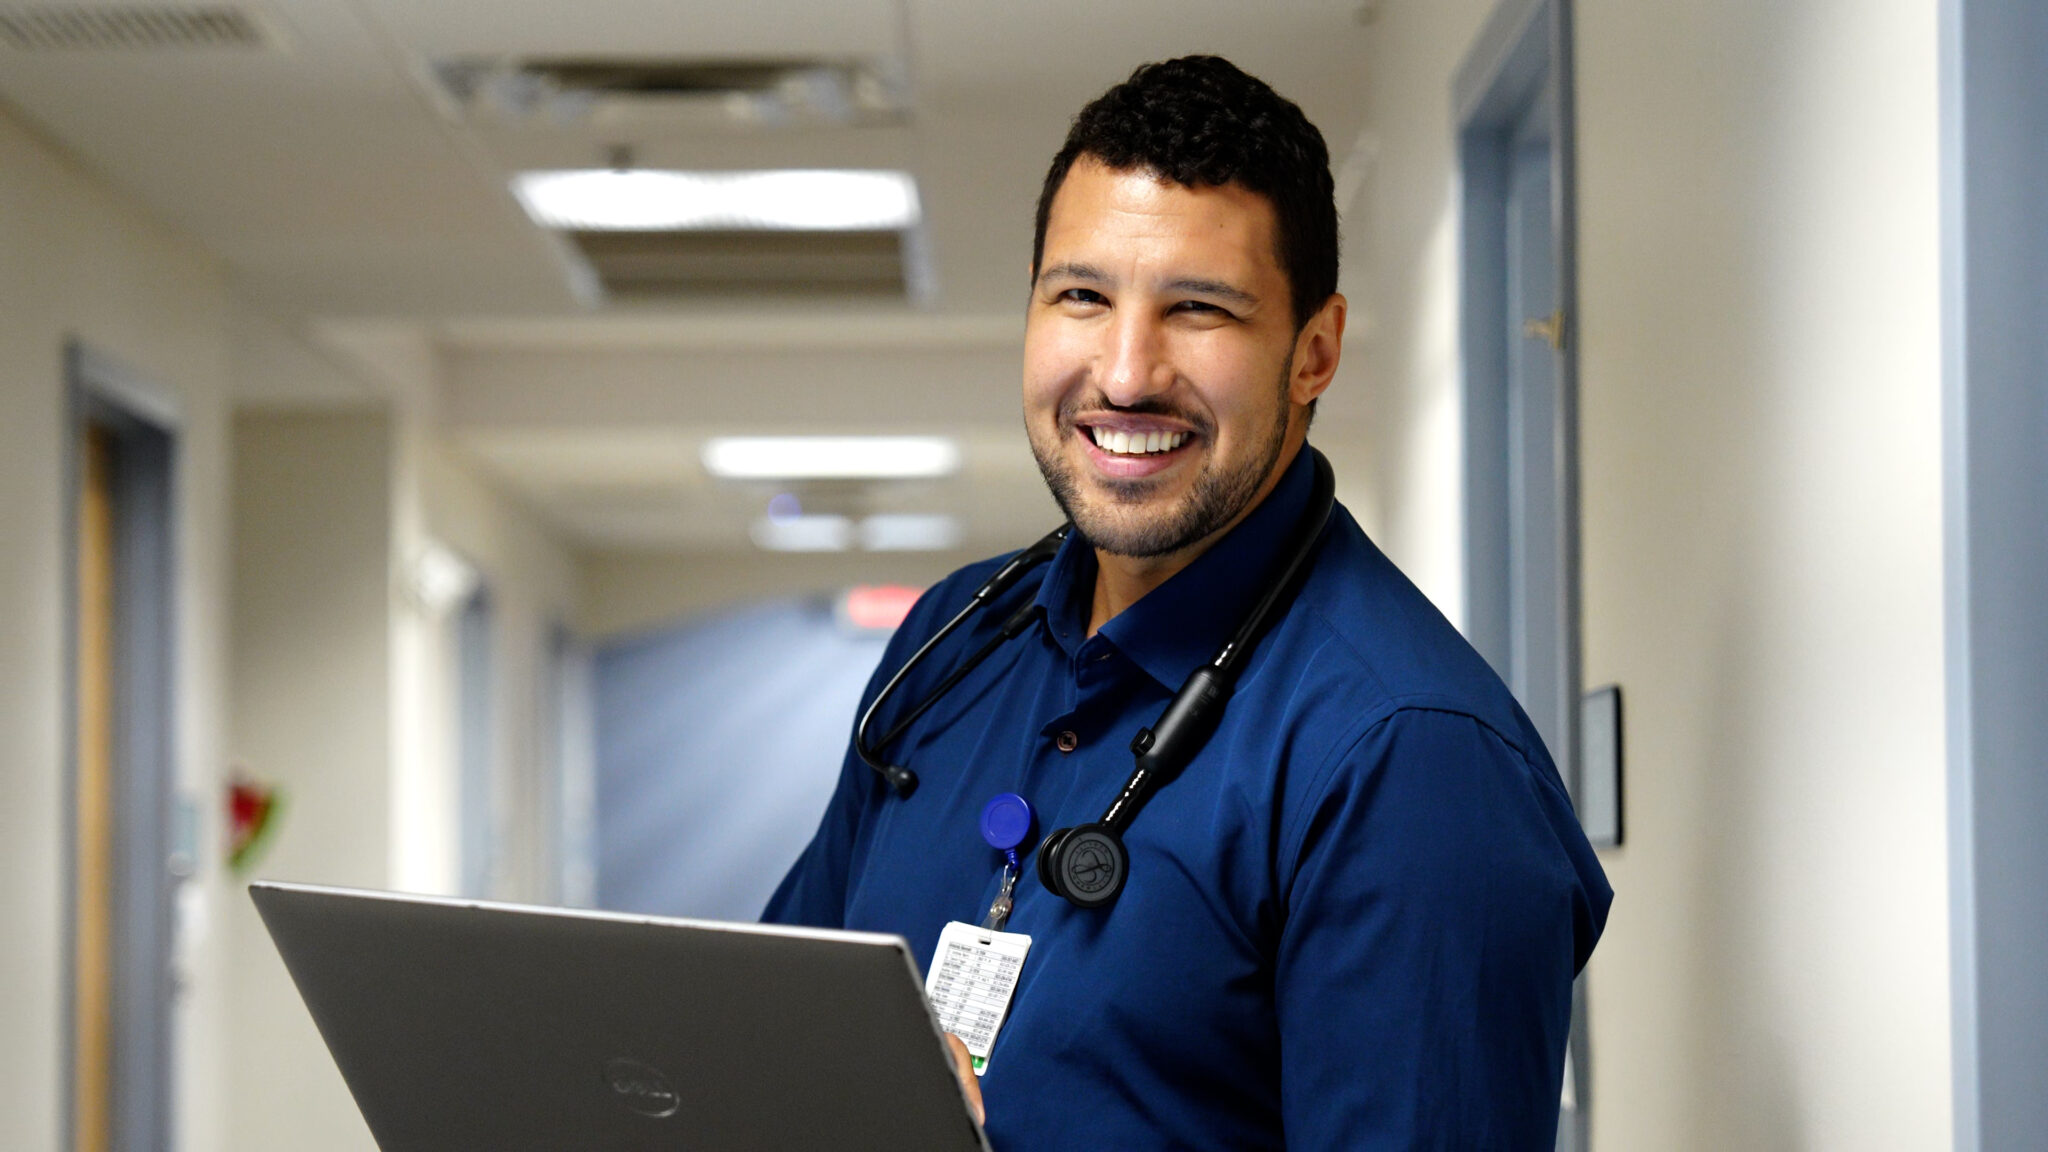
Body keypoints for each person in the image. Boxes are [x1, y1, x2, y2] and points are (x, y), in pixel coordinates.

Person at [764, 55, 1611, 1150]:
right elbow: (780, 1040)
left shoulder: (1407, 761)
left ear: (1314, 351)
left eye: (1197, 310)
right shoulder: (951, 641)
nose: (1123, 373)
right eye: (1080, 296)